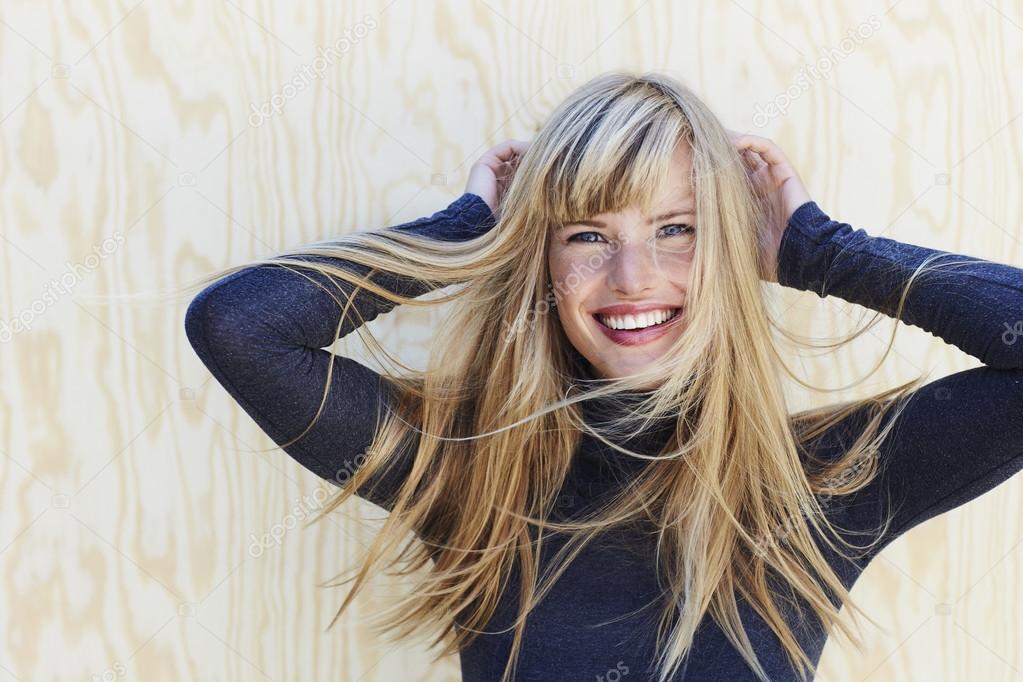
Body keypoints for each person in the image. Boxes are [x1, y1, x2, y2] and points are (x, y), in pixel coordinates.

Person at [182, 71, 1023, 681]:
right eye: (586, 235)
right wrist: (466, 231)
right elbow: (240, 328)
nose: (631, 278)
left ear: (732, 251)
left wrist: (821, 251)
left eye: (677, 231)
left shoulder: (829, 482)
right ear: (539, 261)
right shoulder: (465, 473)